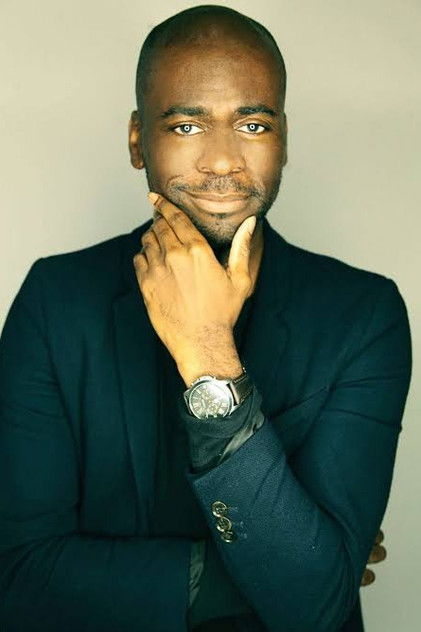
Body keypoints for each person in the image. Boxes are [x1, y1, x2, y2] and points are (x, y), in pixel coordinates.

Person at [0, 5, 411, 631]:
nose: (222, 162)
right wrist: (292, 569)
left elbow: (317, 614)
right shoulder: (56, 301)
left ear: (283, 140)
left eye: (252, 124)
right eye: (187, 126)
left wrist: (207, 352)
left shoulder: (363, 316)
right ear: (138, 140)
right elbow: (16, 578)